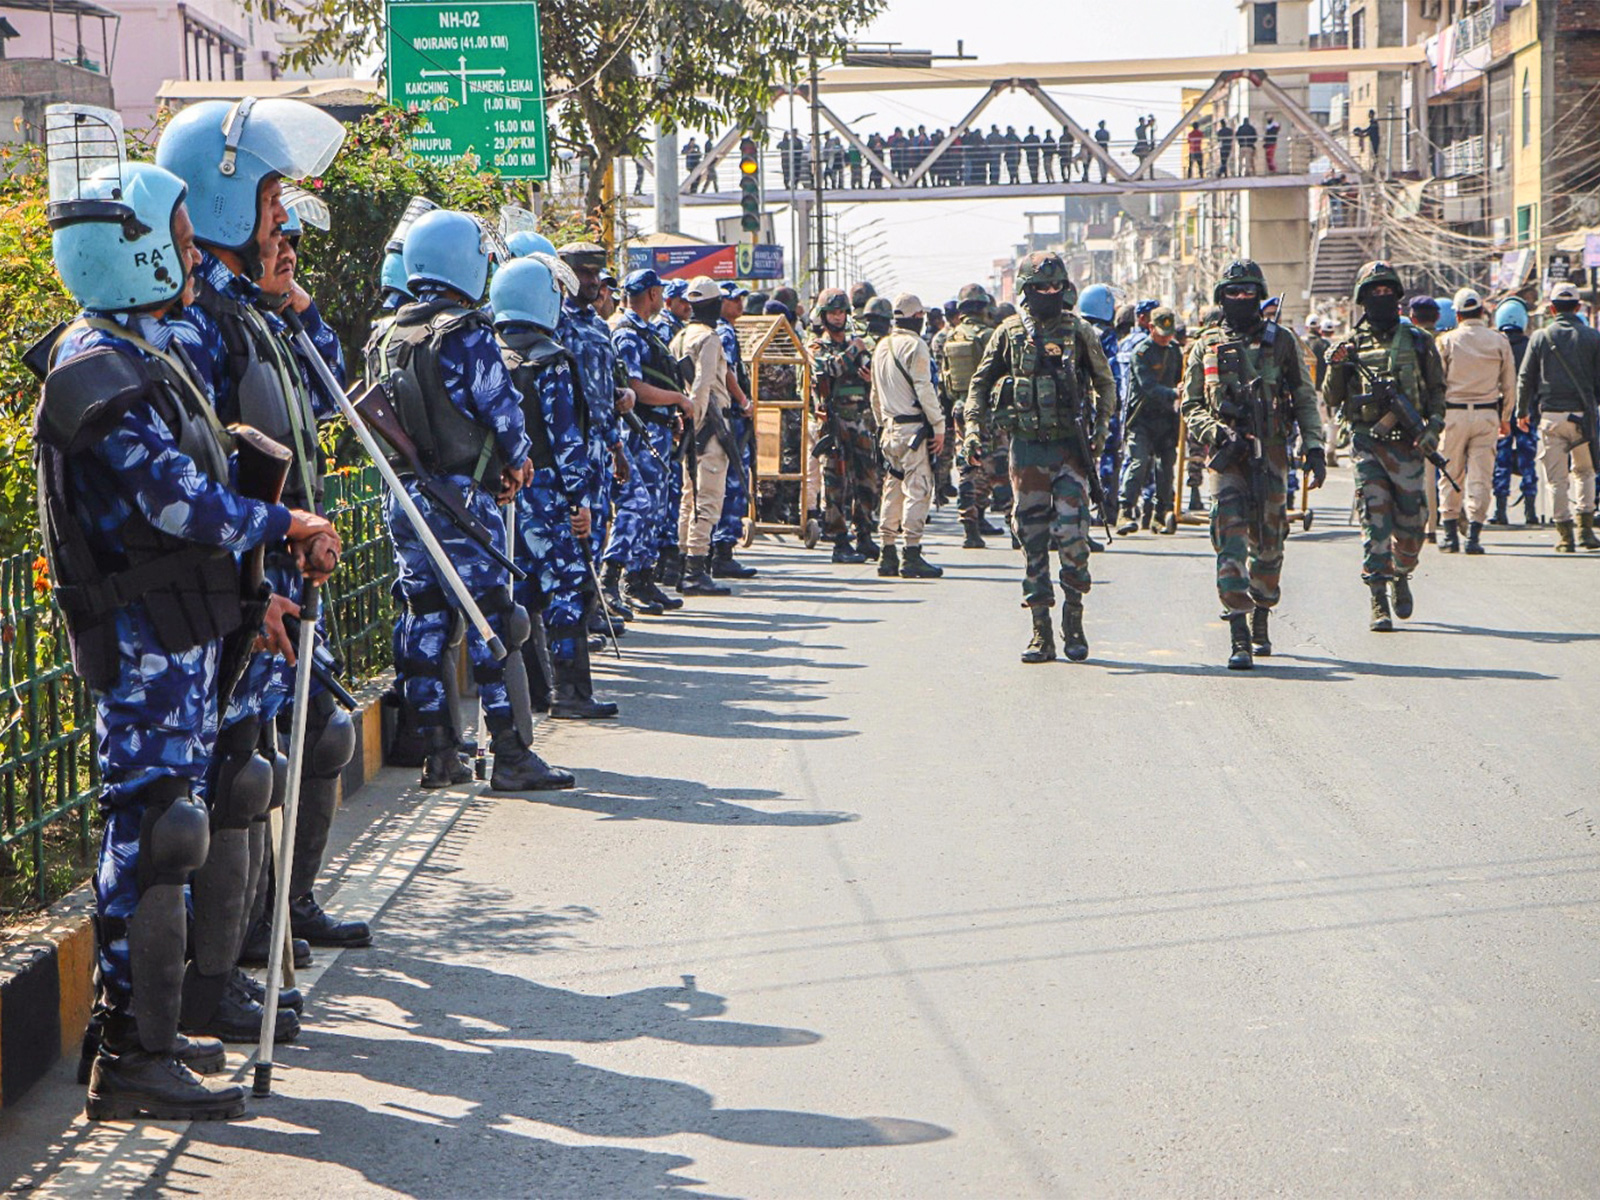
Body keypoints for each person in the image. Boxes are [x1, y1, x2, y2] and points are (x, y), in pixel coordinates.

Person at [38, 143, 336, 1119]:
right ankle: (132, 1052)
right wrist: (283, 525)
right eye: (175, 240)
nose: (191, 256)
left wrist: (264, 585)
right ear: (131, 254)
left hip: (194, 626)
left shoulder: (145, 354)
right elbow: (176, 503)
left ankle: (186, 1013)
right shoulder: (95, 373)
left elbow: (217, 464)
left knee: (213, 800)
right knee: (156, 831)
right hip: (144, 642)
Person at [155, 98, 350, 1041]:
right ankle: (212, 981)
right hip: (233, 587)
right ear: (228, 203)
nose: (286, 221)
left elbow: (330, 393)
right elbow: (200, 469)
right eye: (272, 199)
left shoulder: (258, 314)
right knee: (230, 783)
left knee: (263, 767)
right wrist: (256, 567)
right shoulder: (196, 325)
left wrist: (295, 300)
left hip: (273, 574)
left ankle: (259, 943)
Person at [370, 210, 567, 788]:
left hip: (403, 497)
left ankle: (439, 755)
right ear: (462, 260)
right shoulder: (465, 332)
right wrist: (515, 461)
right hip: (461, 498)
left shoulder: (385, 335)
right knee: (492, 622)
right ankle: (510, 755)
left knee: (425, 619)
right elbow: (501, 411)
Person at [965, 252, 1116, 663]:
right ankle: (1040, 633)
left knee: (1073, 535)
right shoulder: (1009, 332)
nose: (1049, 294)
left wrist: (1100, 433)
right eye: (1040, 288)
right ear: (1027, 291)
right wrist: (973, 432)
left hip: (1071, 449)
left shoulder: (1080, 332)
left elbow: (1105, 384)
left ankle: (1074, 620)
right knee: (1032, 540)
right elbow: (979, 386)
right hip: (1027, 450)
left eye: (1055, 287)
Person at [1181, 259, 1326, 669]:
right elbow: (1190, 404)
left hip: (1273, 454)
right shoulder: (1205, 344)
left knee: (1270, 543)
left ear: (1259, 295)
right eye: (1233, 293)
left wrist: (1314, 447)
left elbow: (1303, 397)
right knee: (1228, 541)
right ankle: (1239, 631)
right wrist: (1215, 432)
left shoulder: (1281, 342)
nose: (1241, 299)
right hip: (1227, 458)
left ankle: (1262, 609)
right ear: (1221, 297)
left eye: (1248, 292)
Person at [491, 257, 614, 723]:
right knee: (568, 591)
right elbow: (566, 439)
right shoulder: (551, 360)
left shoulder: (490, 353)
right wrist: (580, 502)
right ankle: (572, 693)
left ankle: (535, 694)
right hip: (549, 495)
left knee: (520, 595)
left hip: (504, 495)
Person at [1322, 261, 1446, 629]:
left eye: (1387, 291)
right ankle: (1378, 595)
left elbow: (1438, 393)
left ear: (1397, 296)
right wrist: (1336, 365)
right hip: (1367, 445)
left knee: (1412, 525)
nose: (1381, 297)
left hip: (1408, 446)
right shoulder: (1351, 346)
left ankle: (1402, 572)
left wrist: (1432, 430)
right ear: (1363, 299)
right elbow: (1332, 396)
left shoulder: (1420, 341)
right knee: (1374, 520)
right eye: (1374, 292)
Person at [612, 269, 693, 613]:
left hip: (657, 430)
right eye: (658, 292)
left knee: (656, 508)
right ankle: (625, 579)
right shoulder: (629, 335)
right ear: (651, 295)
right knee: (639, 507)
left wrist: (670, 415)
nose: (661, 297)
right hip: (639, 434)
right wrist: (677, 399)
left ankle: (644, 579)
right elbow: (635, 388)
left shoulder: (649, 333)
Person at [1516, 281, 1600, 552]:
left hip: (1551, 418)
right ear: (1577, 307)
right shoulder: (1592, 337)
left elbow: (1525, 377)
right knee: (1585, 472)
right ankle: (1586, 530)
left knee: (1555, 479)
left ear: (1552, 309)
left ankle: (1565, 536)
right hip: (1583, 418)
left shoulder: (1541, 337)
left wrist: (1521, 411)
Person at [670, 276, 739, 591]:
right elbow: (702, 384)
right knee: (707, 497)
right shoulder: (710, 338)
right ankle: (696, 569)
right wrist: (697, 423)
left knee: (689, 497)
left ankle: (685, 559)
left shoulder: (681, 335)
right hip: (707, 427)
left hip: (690, 426)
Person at [870, 294, 947, 578]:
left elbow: (875, 395)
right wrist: (939, 425)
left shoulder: (881, 346)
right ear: (918, 318)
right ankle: (911, 553)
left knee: (892, 488)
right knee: (918, 489)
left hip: (889, 429)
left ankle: (887, 552)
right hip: (913, 430)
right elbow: (925, 389)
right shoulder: (916, 345)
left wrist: (882, 425)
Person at [1435, 288, 1516, 554]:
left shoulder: (1446, 341)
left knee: (1450, 473)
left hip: (1453, 415)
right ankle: (1474, 537)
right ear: (1482, 312)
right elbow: (1510, 386)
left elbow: (1437, 383)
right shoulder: (1498, 341)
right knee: (1481, 477)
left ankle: (1449, 536)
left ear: (1457, 315)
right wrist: (1505, 418)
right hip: (1487, 415)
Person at [809, 288, 881, 563]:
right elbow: (830, 370)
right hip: (835, 422)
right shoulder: (818, 346)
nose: (837, 317)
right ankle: (840, 542)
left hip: (860, 420)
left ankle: (864, 534)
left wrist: (868, 376)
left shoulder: (856, 345)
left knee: (867, 480)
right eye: (832, 313)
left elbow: (872, 374)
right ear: (824, 316)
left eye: (841, 312)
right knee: (836, 482)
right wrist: (856, 350)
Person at [943, 284, 1002, 548]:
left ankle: (970, 526)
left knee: (967, 466)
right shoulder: (992, 335)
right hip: (988, 408)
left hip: (960, 408)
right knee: (998, 464)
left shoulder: (952, 337)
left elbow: (947, 382)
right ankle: (1013, 523)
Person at [1117, 307, 1184, 536]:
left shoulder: (1175, 351)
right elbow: (1149, 387)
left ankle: (1160, 514)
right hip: (1142, 418)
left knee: (1166, 468)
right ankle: (1125, 510)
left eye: (1169, 333)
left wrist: (1181, 392)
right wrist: (1174, 392)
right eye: (1161, 332)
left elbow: (1179, 379)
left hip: (1166, 419)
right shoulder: (1141, 352)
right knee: (1139, 462)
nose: (1166, 338)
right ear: (1150, 328)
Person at [711, 282, 758, 579]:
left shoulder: (723, 331)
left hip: (726, 418)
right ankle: (722, 550)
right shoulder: (724, 333)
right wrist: (742, 400)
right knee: (733, 482)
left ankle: (717, 550)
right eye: (733, 299)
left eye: (741, 299)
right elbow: (727, 372)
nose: (739, 304)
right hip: (730, 419)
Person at [1489, 298, 1539, 526]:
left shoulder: (1494, 344)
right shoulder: (1532, 345)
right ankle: (1531, 511)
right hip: (1528, 413)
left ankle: (1500, 510)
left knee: (1501, 460)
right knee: (1528, 461)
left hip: (1500, 414)